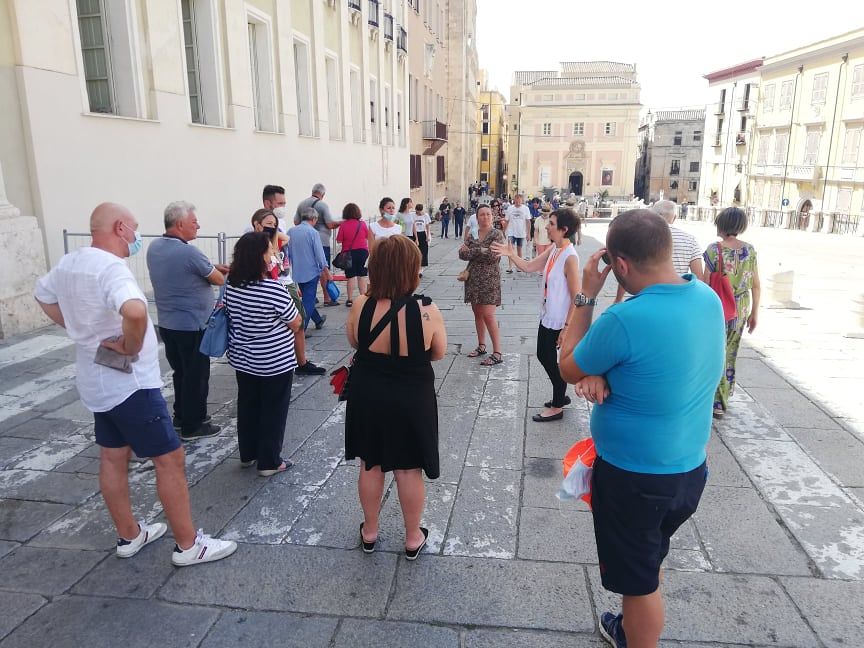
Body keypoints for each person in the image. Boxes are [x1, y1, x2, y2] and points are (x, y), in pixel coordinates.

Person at [34, 202, 237, 566]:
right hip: (130, 384)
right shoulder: (112, 269)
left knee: (113, 455)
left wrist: (77, 328)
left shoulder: (71, 262)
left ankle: (130, 533)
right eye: (135, 227)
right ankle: (189, 545)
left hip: (96, 378)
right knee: (170, 459)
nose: (137, 234)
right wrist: (128, 345)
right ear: (119, 228)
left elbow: (43, 295)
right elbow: (136, 310)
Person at [558, 209, 724, 648]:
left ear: (621, 265)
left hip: (636, 480)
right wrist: (611, 375)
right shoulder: (706, 298)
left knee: (639, 583)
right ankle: (630, 626)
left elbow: (567, 365)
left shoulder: (624, 320)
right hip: (688, 470)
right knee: (647, 560)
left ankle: (637, 639)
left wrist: (586, 298)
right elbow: (672, 366)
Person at [345, 235, 447, 559]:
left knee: (371, 462)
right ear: (411, 269)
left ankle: (371, 531)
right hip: (411, 394)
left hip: (368, 391)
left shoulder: (362, 304)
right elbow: (439, 353)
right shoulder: (427, 309)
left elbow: (353, 341)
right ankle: (413, 536)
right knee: (408, 469)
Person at [146, 201, 225, 440]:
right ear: (180, 224)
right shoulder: (189, 251)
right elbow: (218, 279)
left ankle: (182, 416)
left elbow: (184, 272)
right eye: (194, 222)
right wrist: (217, 270)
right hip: (192, 325)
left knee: (181, 372)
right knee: (196, 376)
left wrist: (210, 268)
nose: (198, 226)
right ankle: (194, 425)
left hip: (169, 323)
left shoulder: (155, 247)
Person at [493, 208, 581, 421]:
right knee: (545, 355)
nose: (547, 227)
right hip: (548, 314)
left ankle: (558, 405)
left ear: (564, 229)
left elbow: (577, 296)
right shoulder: (554, 249)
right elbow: (529, 266)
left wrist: (567, 328)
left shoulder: (569, 257)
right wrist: (511, 254)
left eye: (552, 224)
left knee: (547, 356)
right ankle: (560, 394)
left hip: (560, 319)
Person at [225, 232, 302, 476]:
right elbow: (296, 322)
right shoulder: (272, 289)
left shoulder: (232, 286)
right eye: (270, 251)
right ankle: (269, 461)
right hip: (274, 361)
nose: (273, 256)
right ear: (260, 257)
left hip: (243, 357)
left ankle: (248, 453)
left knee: (248, 405)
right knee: (273, 409)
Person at [702, 207, 760, 419]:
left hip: (718, 306)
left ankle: (713, 400)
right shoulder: (750, 250)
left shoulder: (713, 249)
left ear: (721, 225)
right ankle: (723, 398)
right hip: (741, 307)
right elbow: (756, 285)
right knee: (730, 352)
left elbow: (705, 283)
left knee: (713, 351)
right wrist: (754, 313)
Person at [251, 210, 326, 375]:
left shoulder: (273, 239)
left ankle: (301, 362)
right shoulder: (253, 243)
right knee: (279, 327)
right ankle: (284, 363)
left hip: (286, 283)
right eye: (268, 224)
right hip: (270, 287)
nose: (272, 228)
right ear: (257, 224)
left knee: (298, 322)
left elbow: (286, 239)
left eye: (274, 224)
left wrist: (272, 232)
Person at [613, 199, 705, 304]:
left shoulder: (641, 236)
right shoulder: (690, 240)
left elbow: (627, 268)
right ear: (674, 217)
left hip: (646, 298)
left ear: (652, 215)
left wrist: (618, 298)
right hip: (677, 299)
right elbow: (699, 279)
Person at [459, 205, 505, 366]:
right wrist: (482, 250)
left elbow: (493, 256)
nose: (485, 217)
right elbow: (462, 254)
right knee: (477, 313)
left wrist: (474, 250)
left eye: (488, 214)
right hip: (473, 278)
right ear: (476, 217)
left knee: (489, 315)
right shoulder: (473, 233)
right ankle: (481, 345)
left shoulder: (497, 234)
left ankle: (498, 352)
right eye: (482, 215)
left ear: (492, 216)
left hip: (489, 279)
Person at [294, 183, 339, 306]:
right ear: (323, 194)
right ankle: (327, 298)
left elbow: (296, 221)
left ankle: (311, 297)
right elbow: (330, 224)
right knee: (323, 269)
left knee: (309, 268)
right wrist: (341, 223)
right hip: (322, 240)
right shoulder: (322, 205)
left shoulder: (301, 204)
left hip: (304, 241)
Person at [287, 208, 331, 330]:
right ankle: (302, 328)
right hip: (311, 271)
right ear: (314, 219)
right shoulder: (313, 232)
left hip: (297, 271)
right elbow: (319, 254)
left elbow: (287, 252)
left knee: (307, 297)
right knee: (308, 299)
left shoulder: (291, 231)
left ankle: (317, 320)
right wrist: (326, 270)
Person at [336, 203, 369, 307]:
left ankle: (350, 299)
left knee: (350, 276)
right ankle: (363, 298)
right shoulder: (362, 224)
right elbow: (367, 236)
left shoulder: (343, 225)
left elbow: (339, 240)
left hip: (349, 253)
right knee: (362, 275)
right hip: (363, 252)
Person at [504, 193, 531, 272]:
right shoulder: (510, 208)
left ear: (522, 201)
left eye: (519, 200)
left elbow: (528, 221)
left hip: (521, 232)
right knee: (511, 249)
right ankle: (510, 266)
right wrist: (504, 230)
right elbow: (506, 220)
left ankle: (519, 266)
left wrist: (528, 233)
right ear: (514, 200)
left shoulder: (526, 209)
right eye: (516, 200)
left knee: (519, 249)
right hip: (511, 231)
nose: (518, 202)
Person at [412, 203, 432, 268]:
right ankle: (416, 265)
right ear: (415, 210)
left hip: (423, 233)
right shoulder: (413, 215)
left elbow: (427, 226)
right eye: (418, 211)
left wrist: (428, 236)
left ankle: (422, 267)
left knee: (424, 250)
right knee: (416, 250)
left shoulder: (425, 215)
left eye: (420, 211)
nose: (419, 212)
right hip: (415, 233)